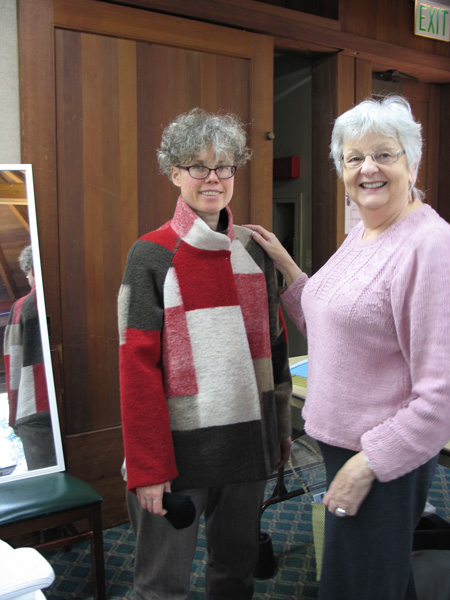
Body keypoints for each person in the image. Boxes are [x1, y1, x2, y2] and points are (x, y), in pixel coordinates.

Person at [245, 95, 450, 600]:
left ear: (412, 162)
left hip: (381, 458)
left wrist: (368, 464)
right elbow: (337, 323)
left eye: (384, 154)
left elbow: (441, 398)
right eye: (354, 157)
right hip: (346, 449)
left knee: (355, 585)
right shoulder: (363, 232)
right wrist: (287, 266)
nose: (368, 168)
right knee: (377, 579)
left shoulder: (430, 246)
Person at [118, 107, 292, 600]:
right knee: (161, 586)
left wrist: (279, 430)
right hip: (178, 457)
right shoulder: (151, 254)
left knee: (234, 576)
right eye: (198, 166)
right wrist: (148, 467)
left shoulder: (253, 250)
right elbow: (136, 370)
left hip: (248, 446)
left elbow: (275, 347)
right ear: (175, 173)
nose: (213, 178)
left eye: (224, 166)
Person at [3, 245, 56, 471]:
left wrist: (13, 417)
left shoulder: (22, 307)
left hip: (34, 411)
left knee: (50, 482)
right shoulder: (70, 299)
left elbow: (13, 363)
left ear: (33, 270)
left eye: (27, 275)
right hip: (78, 405)